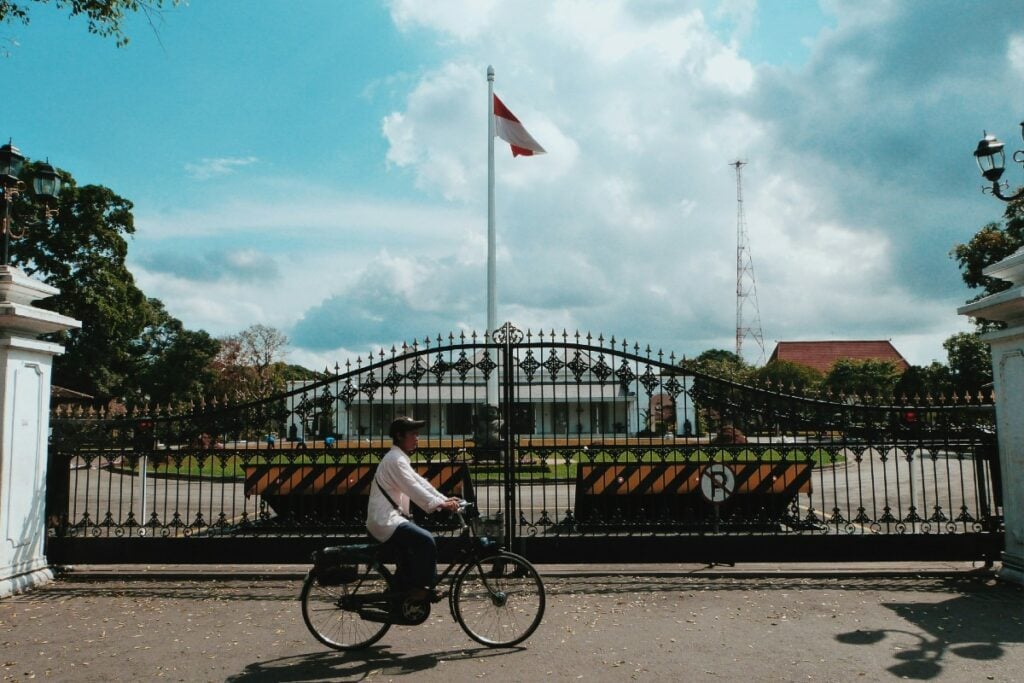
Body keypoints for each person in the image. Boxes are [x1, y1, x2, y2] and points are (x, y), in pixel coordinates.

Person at [367, 416, 460, 602]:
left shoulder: (399, 458)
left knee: (412, 551)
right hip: (385, 520)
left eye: (417, 434)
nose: (417, 438)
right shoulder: (395, 460)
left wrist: (443, 499)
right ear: (400, 436)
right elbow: (412, 487)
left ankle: (401, 590)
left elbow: (420, 483)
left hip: (392, 518)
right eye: (413, 434)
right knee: (426, 541)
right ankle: (421, 589)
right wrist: (439, 504)